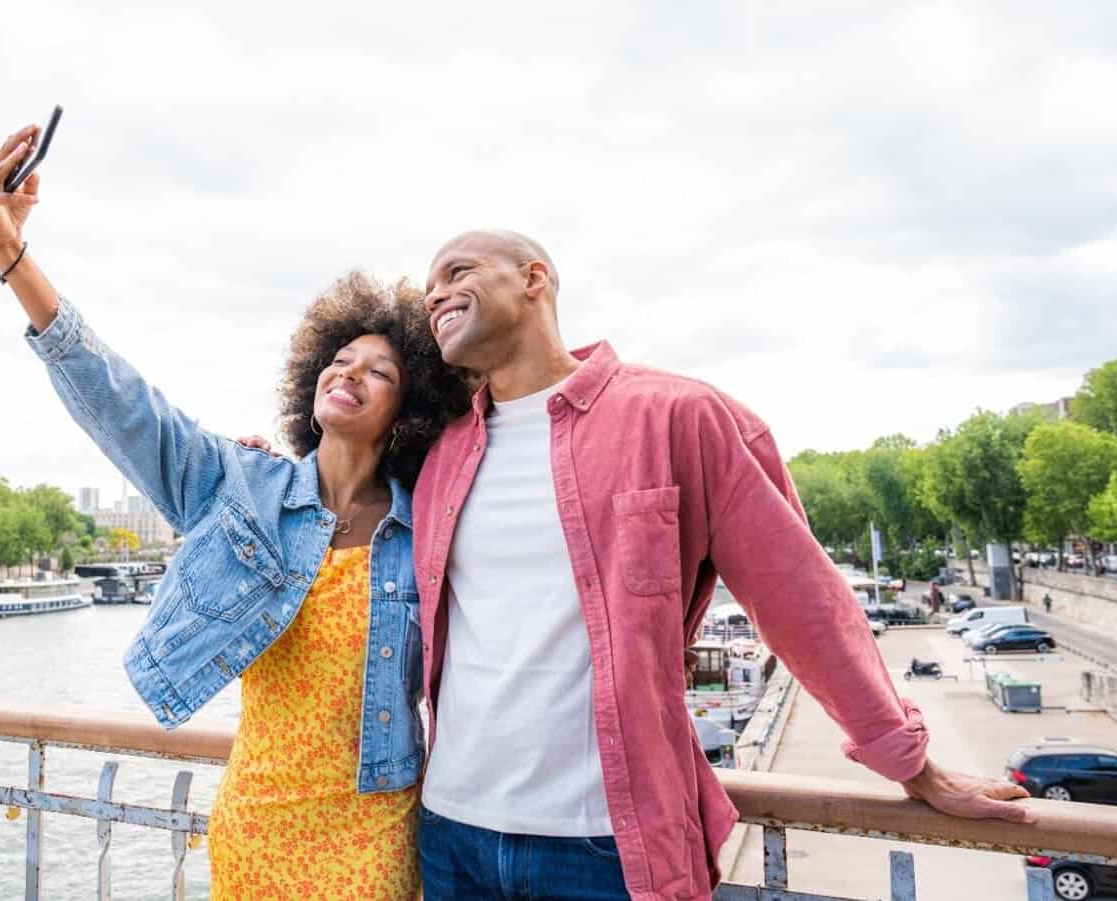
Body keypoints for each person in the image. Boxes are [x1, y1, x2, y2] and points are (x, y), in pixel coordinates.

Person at [409, 230, 1034, 901]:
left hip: (608, 847)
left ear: (533, 279)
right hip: (452, 832)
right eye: (428, 289)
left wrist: (913, 765)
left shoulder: (678, 416)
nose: (437, 293)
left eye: (458, 270)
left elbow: (802, 601)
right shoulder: (439, 455)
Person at [0, 125, 468, 899]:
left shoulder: (431, 526)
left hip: (373, 831)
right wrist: (11, 257)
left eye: (379, 371)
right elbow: (123, 405)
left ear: (406, 414)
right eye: (340, 360)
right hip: (258, 831)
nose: (351, 372)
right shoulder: (241, 486)